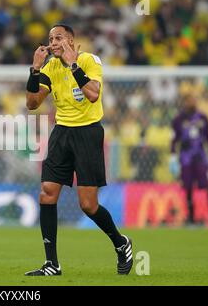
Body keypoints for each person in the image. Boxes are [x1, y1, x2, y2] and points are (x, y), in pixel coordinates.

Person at [24, 24, 133, 276]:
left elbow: (93, 94)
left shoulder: (89, 60)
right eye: (50, 38)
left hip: (88, 133)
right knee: (47, 193)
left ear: (71, 41)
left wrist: (74, 65)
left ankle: (120, 242)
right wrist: (35, 69)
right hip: (61, 133)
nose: (53, 41)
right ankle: (52, 264)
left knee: (88, 205)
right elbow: (31, 103)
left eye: (59, 37)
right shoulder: (50, 67)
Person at [170, 95, 208, 227]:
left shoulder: (203, 118)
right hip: (186, 159)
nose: (191, 102)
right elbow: (174, 140)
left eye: (193, 100)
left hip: (200, 157)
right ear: (184, 102)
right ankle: (191, 219)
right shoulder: (178, 120)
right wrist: (173, 157)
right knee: (188, 188)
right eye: (188, 100)